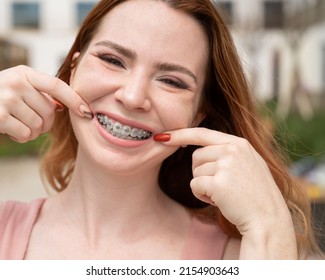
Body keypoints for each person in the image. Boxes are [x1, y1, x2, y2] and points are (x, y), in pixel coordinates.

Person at [0, 0, 321, 259]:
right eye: (112, 60)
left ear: (198, 115)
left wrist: (269, 228)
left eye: (171, 81)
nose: (132, 96)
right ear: (73, 69)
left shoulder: (247, 256)